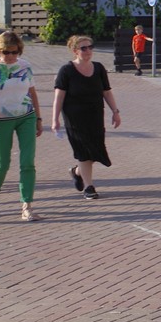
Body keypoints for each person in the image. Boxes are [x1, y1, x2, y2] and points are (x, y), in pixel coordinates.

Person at [0, 30, 44, 221]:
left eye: (15, 52)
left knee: (27, 162)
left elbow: (32, 92)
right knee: (2, 164)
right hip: (0, 119)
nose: (10, 56)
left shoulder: (25, 66)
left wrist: (39, 118)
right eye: (6, 52)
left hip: (26, 116)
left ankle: (27, 206)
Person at [51, 35, 122, 199]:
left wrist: (115, 112)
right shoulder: (66, 70)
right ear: (75, 51)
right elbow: (59, 97)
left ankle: (77, 171)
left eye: (90, 47)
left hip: (95, 116)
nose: (88, 51)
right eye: (84, 48)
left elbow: (106, 91)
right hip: (74, 118)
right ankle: (89, 187)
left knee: (95, 151)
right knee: (83, 151)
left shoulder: (99, 68)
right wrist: (55, 119)